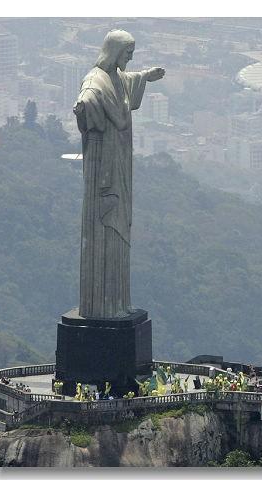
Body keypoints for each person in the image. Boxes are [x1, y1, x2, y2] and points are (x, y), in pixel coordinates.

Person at [74, 29, 165, 318]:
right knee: (104, 228)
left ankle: (117, 303)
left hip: (120, 159)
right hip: (105, 164)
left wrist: (146, 75)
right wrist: (84, 105)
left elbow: (125, 81)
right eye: (127, 53)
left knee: (119, 229)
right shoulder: (95, 79)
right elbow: (88, 95)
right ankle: (101, 305)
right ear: (114, 51)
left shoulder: (114, 77)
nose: (130, 58)